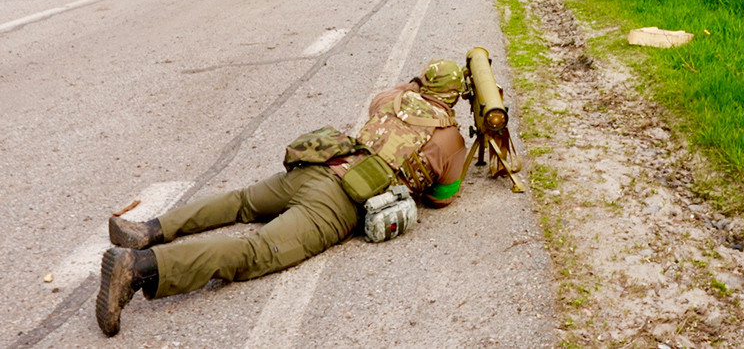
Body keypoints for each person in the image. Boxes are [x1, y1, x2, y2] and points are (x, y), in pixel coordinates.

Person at [95, 59, 469, 337]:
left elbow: (391, 95)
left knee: (241, 202)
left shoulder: (392, 99)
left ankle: (147, 229)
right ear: (455, 95)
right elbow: (441, 197)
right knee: (255, 253)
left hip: (318, 165)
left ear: (421, 82)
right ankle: (139, 266)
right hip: (339, 201)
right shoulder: (450, 138)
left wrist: (414, 86)